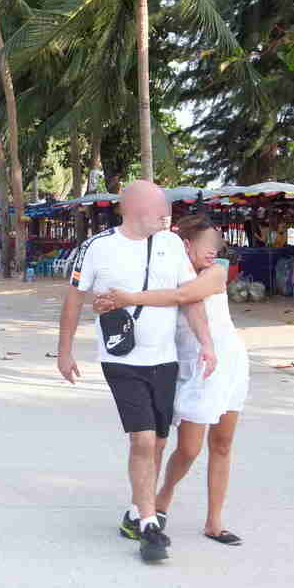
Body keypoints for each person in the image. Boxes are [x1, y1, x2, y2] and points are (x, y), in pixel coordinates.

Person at [56, 180, 216, 563]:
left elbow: (190, 298)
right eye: (161, 207)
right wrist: (64, 351)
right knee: (142, 440)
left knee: (158, 442)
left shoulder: (172, 244)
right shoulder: (96, 248)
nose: (167, 214)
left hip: (165, 359)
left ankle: (135, 511)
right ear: (136, 209)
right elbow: (74, 301)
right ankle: (149, 526)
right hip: (122, 360)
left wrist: (206, 342)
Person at [95, 214, 248, 546]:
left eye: (216, 244)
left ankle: (214, 522)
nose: (214, 251)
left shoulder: (215, 273)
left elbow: (183, 297)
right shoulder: (163, 278)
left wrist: (130, 297)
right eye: (207, 244)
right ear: (186, 245)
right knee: (189, 448)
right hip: (192, 369)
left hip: (229, 362)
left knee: (222, 444)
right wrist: (109, 302)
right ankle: (162, 496)